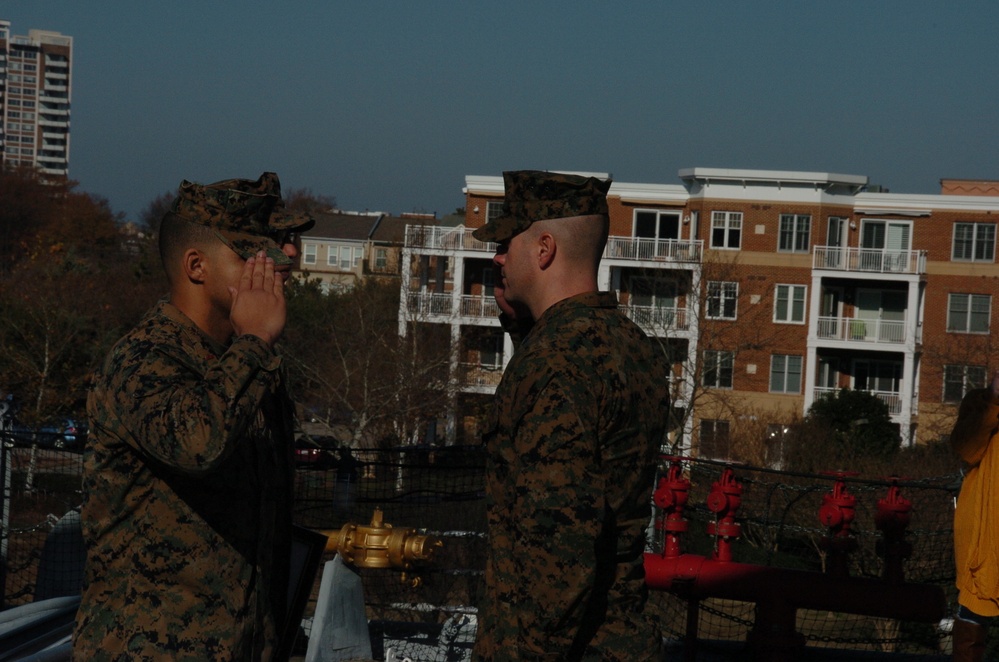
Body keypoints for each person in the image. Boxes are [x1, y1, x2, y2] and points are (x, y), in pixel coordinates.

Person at [73, 173, 314, 661]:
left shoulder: (247, 364)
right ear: (196, 266)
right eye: (251, 255)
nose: (279, 264)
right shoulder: (142, 359)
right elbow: (196, 443)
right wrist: (254, 343)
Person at [471, 170, 670, 660]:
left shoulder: (554, 364)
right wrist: (522, 327)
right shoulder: (633, 346)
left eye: (506, 244)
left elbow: (559, 557)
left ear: (543, 249)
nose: (496, 258)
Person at [950, 370, 999, 662]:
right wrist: (994, 400)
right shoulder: (978, 403)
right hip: (985, 537)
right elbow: (967, 449)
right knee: (973, 615)